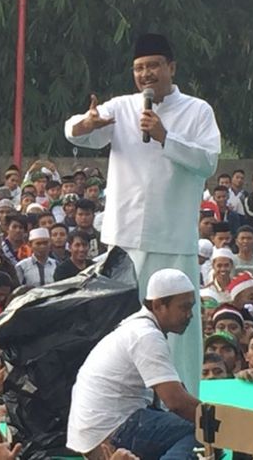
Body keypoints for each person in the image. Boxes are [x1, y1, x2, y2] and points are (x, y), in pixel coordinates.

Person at [65, 35, 220, 395]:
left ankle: (181, 409)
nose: (145, 74)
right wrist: (84, 125)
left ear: (171, 68)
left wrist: (166, 136)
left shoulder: (197, 111)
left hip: (172, 239)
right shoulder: (122, 106)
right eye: (138, 68)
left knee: (177, 328)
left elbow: (208, 162)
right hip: (124, 238)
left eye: (153, 66)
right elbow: (77, 130)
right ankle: (125, 407)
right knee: (123, 328)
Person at [67, 269, 202, 458]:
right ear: (158, 305)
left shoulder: (135, 328)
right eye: (184, 307)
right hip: (111, 429)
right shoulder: (146, 335)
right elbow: (176, 402)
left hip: (96, 431)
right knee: (203, 433)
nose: (190, 315)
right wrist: (226, 423)